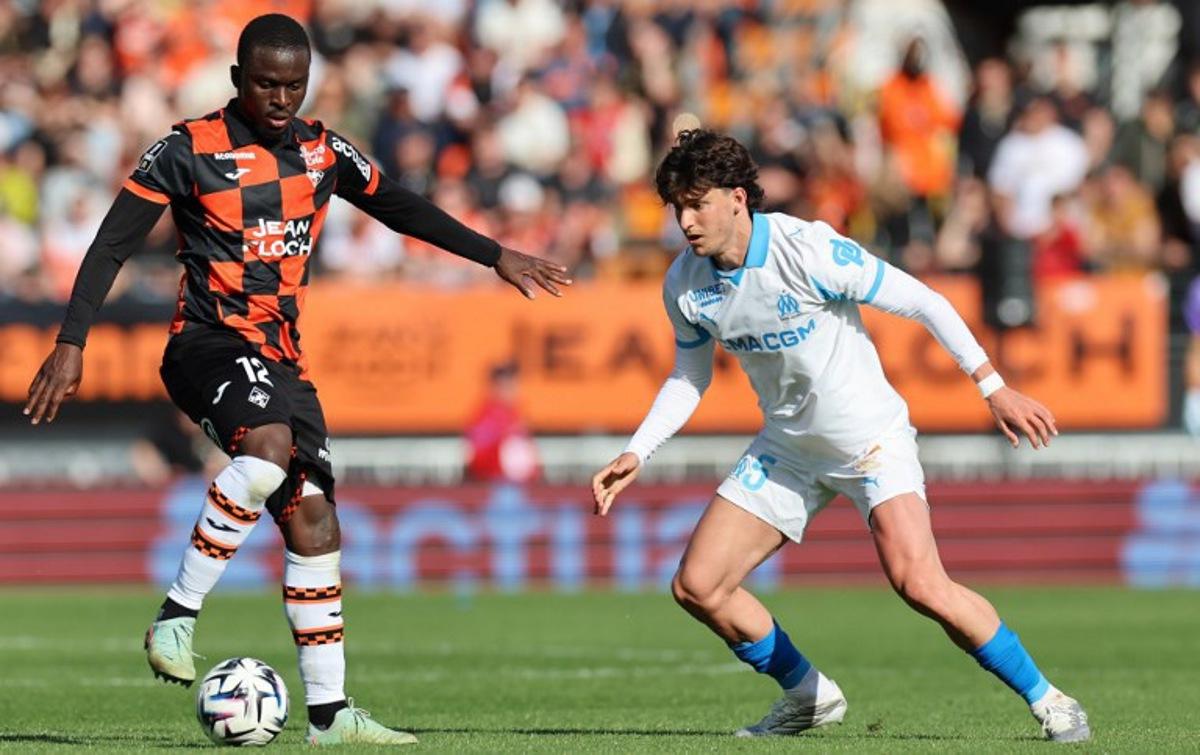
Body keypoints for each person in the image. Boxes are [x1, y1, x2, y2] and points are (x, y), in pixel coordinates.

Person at [24, 14, 570, 746]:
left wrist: (493, 252)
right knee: (269, 447)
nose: (280, 98)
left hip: (282, 360)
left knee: (314, 521)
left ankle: (329, 715)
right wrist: (71, 338)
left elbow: (399, 204)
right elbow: (112, 242)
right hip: (207, 344)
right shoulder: (188, 149)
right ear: (236, 81)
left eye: (293, 84)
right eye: (265, 84)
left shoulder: (322, 150)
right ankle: (177, 616)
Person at [590, 129, 1089, 742]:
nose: (686, 221)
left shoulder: (808, 249)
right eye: (677, 207)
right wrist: (638, 450)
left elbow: (925, 301)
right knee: (698, 587)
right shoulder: (685, 284)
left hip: (869, 440)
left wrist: (993, 387)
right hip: (788, 449)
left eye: (698, 203)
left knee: (919, 584)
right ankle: (809, 696)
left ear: (738, 199)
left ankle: (1051, 700)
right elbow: (689, 377)